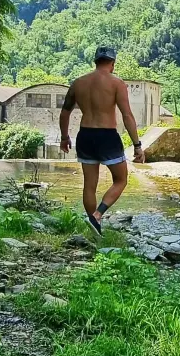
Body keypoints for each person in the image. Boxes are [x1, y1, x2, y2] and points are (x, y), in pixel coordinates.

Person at [59, 46, 145, 236]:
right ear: (112, 64)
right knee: (121, 180)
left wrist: (65, 137)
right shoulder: (117, 83)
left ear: (95, 61)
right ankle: (97, 215)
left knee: (90, 184)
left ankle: (93, 224)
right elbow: (127, 115)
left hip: (85, 135)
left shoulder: (78, 83)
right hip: (107, 136)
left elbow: (65, 112)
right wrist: (137, 145)